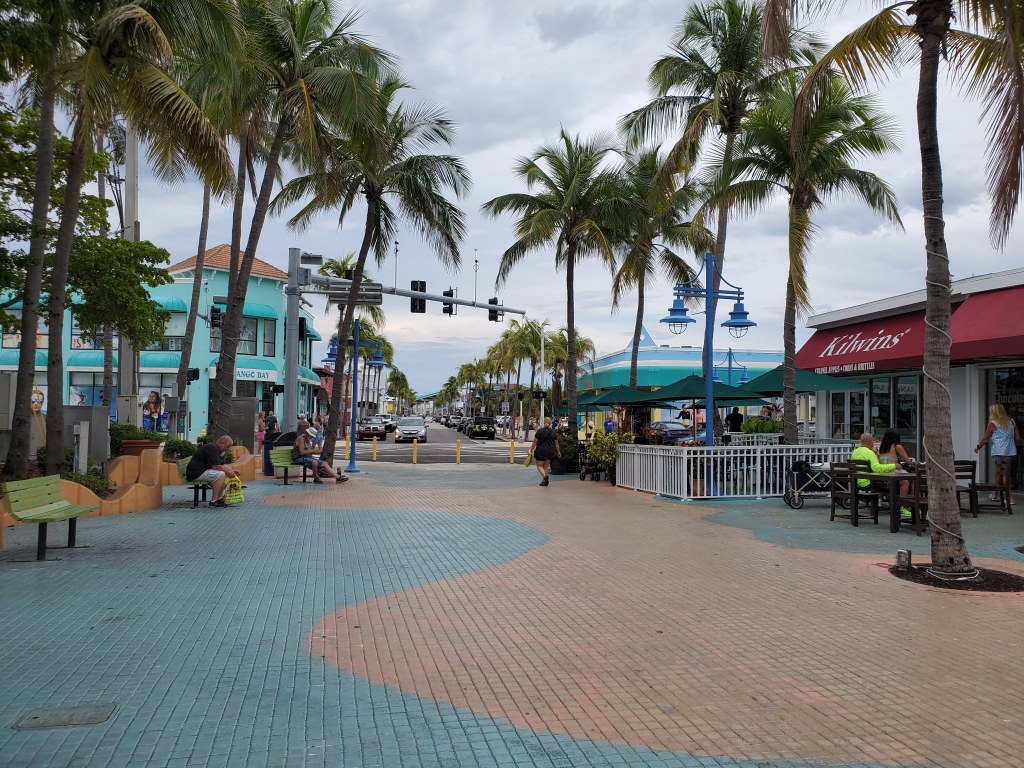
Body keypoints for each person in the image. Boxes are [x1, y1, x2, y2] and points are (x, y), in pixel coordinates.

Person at [975, 403, 1020, 505]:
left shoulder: (993, 423)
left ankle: (1010, 498)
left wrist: (978, 447)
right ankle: (995, 494)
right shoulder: (1012, 422)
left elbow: (985, 439)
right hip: (1009, 452)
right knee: (1002, 473)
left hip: (999, 452)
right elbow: (1017, 438)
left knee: (1001, 474)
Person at [185, 436, 239, 507]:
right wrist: (229, 472)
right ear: (222, 442)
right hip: (195, 473)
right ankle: (214, 501)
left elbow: (222, 465)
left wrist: (231, 471)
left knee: (224, 474)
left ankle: (220, 499)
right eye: (227, 447)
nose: (227, 449)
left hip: (202, 471)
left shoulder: (218, 450)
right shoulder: (212, 448)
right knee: (221, 474)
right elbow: (216, 466)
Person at [877, 428, 912, 495]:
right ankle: (905, 501)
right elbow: (908, 461)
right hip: (895, 471)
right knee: (911, 480)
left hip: (884, 472)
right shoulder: (897, 447)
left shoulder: (881, 448)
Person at [530, 417, 560, 487]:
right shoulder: (553, 432)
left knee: (539, 466)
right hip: (550, 451)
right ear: (550, 423)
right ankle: (545, 481)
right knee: (546, 466)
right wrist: (558, 452)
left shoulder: (539, 431)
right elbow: (556, 444)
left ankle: (545, 476)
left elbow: (535, 442)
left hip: (541, 451)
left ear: (544, 422)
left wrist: (531, 449)